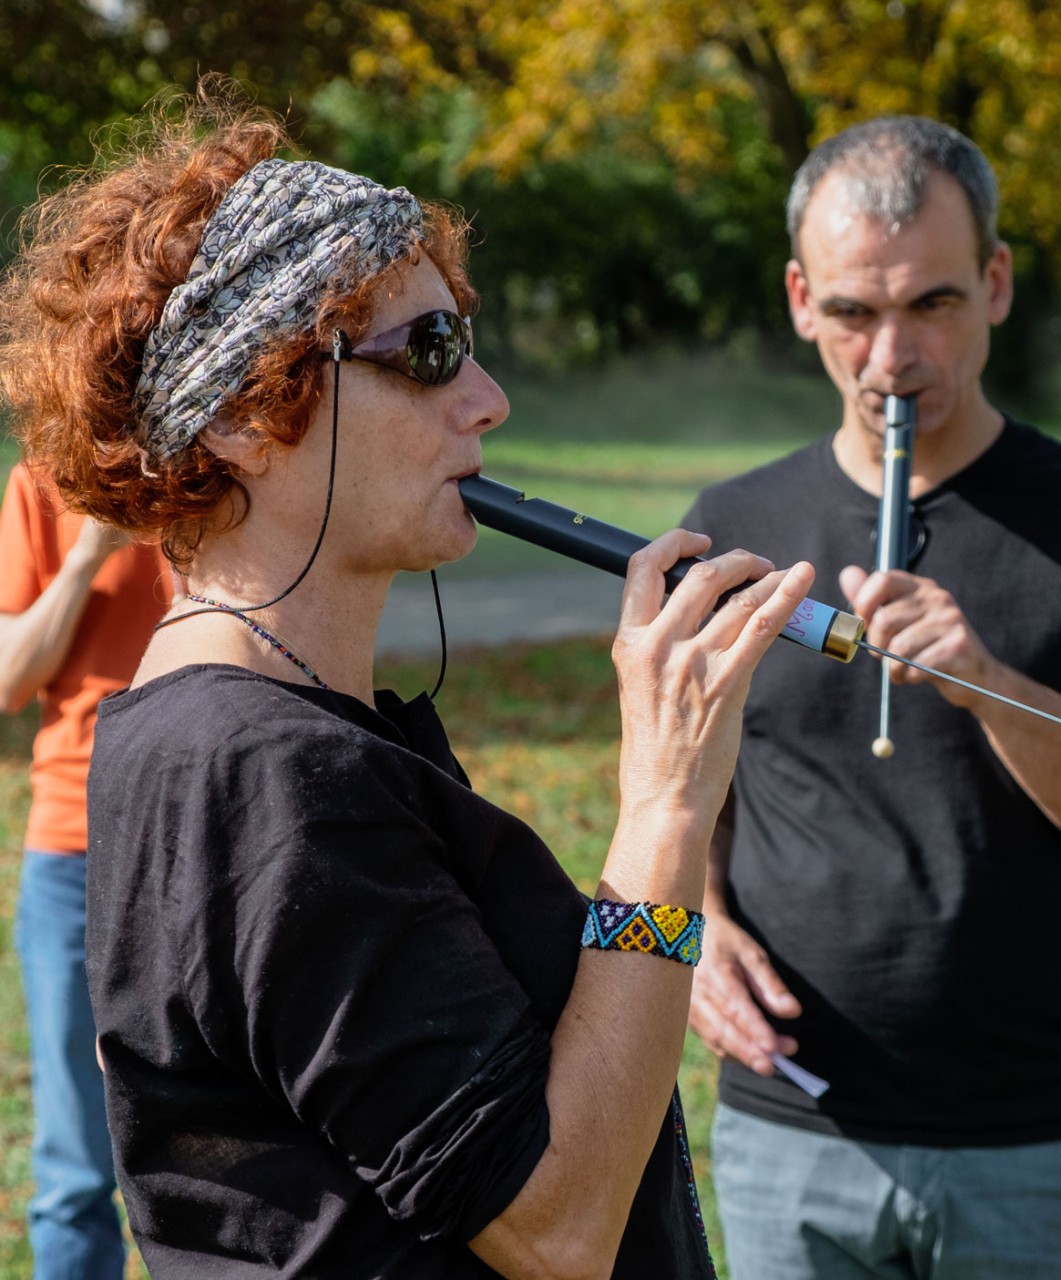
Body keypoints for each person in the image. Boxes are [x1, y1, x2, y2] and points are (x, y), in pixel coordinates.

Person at [0, 81, 818, 1279]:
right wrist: (664, 805)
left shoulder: (261, 733)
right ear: (242, 417)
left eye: (464, 342)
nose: (486, 400)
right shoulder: (266, 776)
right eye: (428, 352)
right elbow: (555, 1226)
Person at [683, 115, 1061, 1280]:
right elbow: (673, 804)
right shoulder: (732, 525)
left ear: (995, 283)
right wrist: (696, 930)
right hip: (791, 1122)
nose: (891, 357)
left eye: (930, 303)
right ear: (798, 300)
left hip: (1033, 1138)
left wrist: (987, 684)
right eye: (852, 312)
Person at [0, 463, 168, 1280]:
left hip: (208, 828)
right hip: (75, 847)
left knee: (245, 1151)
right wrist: (88, 552)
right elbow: (8, 678)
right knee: (74, 1172)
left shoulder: (238, 456)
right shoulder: (44, 481)